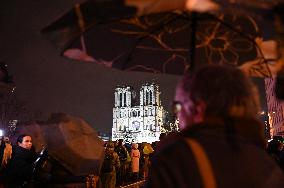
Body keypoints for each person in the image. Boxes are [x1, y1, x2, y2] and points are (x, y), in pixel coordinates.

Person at [145, 65, 284, 188]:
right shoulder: (269, 165)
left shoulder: (177, 161)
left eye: (178, 106)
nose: (178, 115)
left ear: (197, 109)